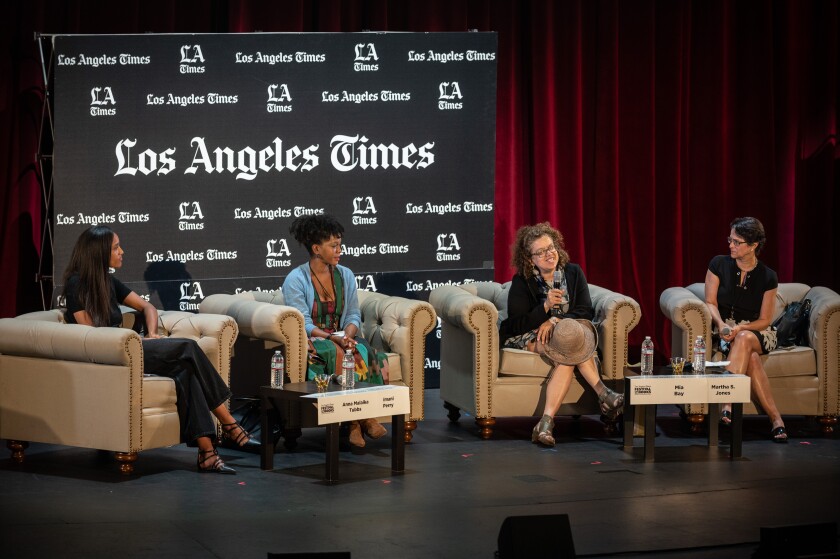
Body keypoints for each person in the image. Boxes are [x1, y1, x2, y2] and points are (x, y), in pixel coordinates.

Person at [62, 225, 251, 473]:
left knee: (186, 369)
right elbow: (89, 334)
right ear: (98, 252)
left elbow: (148, 308)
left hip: (130, 349)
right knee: (188, 346)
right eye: (116, 247)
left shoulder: (109, 282)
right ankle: (228, 422)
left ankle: (207, 452)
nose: (122, 251)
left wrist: (151, 334)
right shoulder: (76, 284)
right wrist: (130, 340)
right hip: (111, 355)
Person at [499, 222, 623, 447]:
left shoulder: (573, 272)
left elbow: (585, 309)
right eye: (541, 252)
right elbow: (517, 323)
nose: (549, 254)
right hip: (531, 335)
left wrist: (554, 320)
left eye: (551, 248)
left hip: (568, 333)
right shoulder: (521, 282)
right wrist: (545, 307)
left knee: (567, 346)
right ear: (530, 259)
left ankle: (546, 423)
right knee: (570, 347)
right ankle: (603, 393)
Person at [282, 214, 389, 448]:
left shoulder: (346, 275)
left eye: (340, 244)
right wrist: (333, 338)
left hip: (342, 334)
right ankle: (354, 422)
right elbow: (303, 323)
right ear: (317, 248)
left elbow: (352, 314)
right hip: (316, 339)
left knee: (363, 349)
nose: (339, 250)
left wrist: (348, 335)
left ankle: (366, 415)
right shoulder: (296, 279)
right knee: (334, 351)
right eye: (334, 246)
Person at [704, 216, 787, 442]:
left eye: (736, 242)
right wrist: (721, 324)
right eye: (729, 239)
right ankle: (776, 420)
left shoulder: (768, 276)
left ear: (753, 246)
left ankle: (727, 403)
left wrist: (741, 327)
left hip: (758, 332)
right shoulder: (718, 264)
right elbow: (710, 302)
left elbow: (764, 320)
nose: (730, 245)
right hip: (726, 330)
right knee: (751, 358)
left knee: (744, 337)